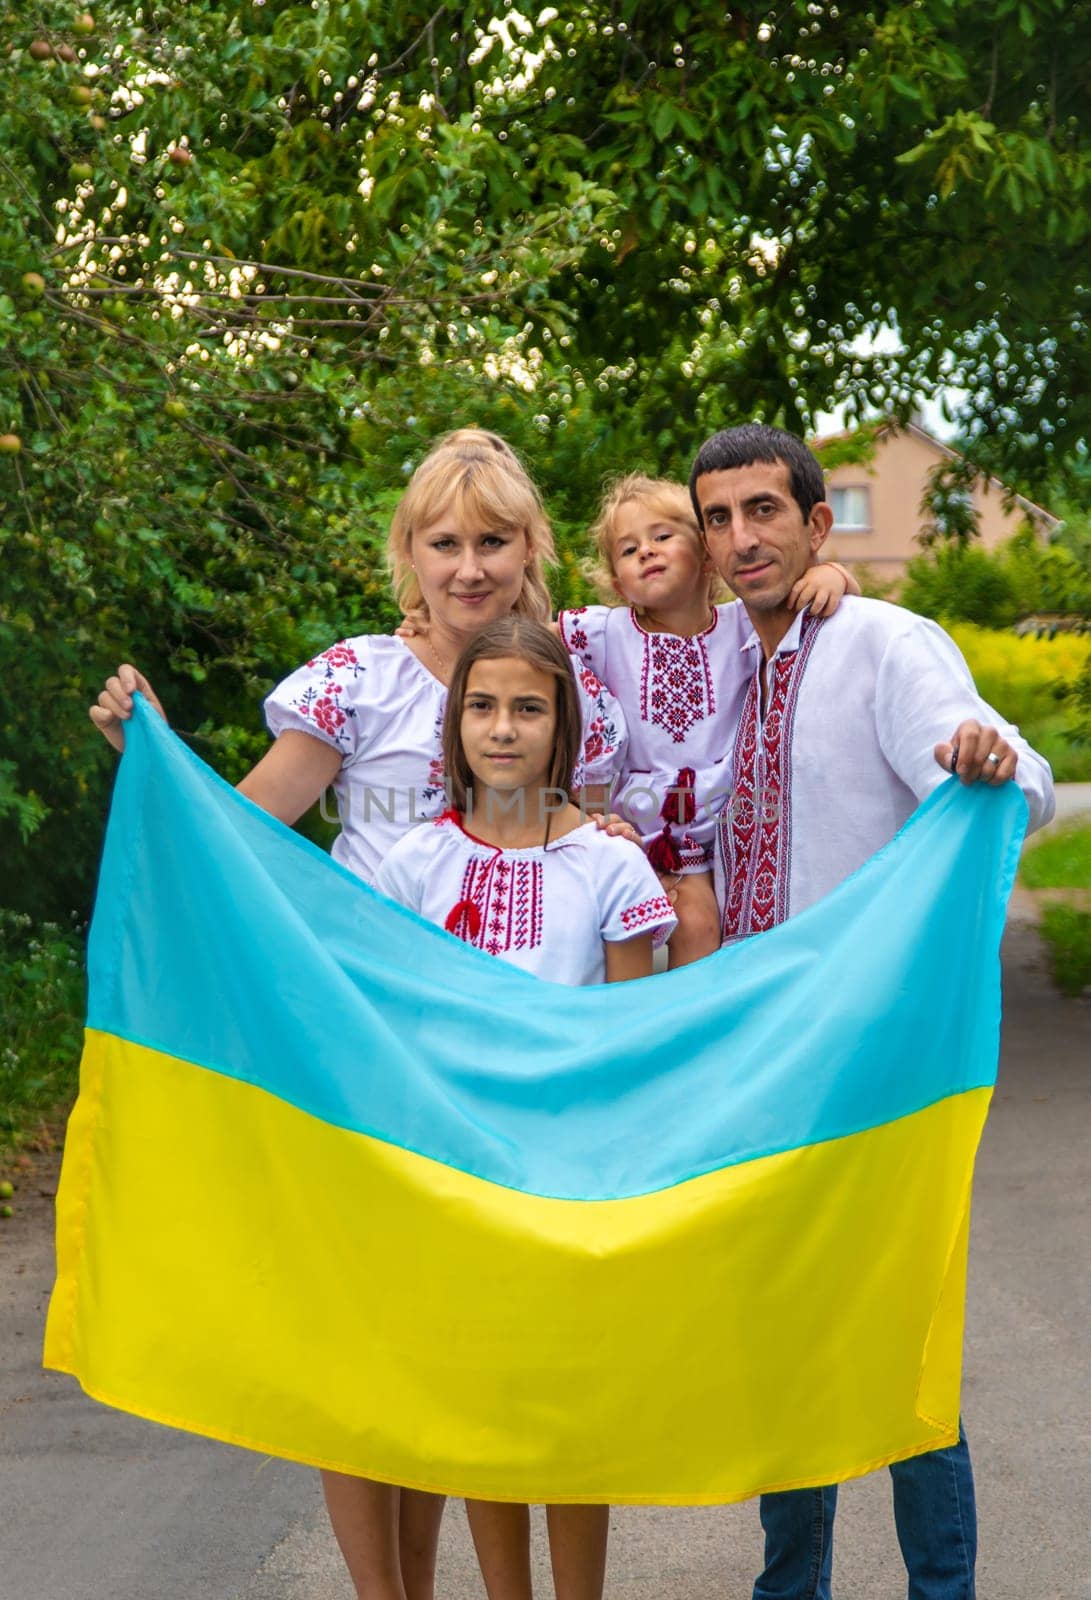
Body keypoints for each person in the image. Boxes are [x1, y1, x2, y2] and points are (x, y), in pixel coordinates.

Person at [88, 431, 629, 1600]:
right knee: (366, 1346)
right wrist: (154, 764)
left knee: (467, 1352)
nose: (469, 565)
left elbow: (587, 834)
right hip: (363, 1046)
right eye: (445, 543)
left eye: (493, 540)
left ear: (529, 545)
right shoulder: (357, 678)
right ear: (408, 552)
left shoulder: (559, 670)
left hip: (508, 1067)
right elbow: (242, 833)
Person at [687, 422, 1055, 1600]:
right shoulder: (724, 667)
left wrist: (980, 756)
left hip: (874, 1061)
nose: (740, 537)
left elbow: (1017, 771)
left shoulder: (885, 641)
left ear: (810, 520)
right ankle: (787, 1588)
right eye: (717, 517)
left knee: (894, 1346)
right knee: (786, 1349)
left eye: (761, 511)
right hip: (760, 1060)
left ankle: (937, 1590)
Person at [377, 616, 676, 1600]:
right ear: (453, 723)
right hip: (456, 1182)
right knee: (486, 1412)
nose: (502, 728)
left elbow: (630, 1036)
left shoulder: (611, 866)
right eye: (481, 705)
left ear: (566, 729)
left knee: (568, 1415)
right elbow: (392, 1024)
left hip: (573, 1181)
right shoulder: (414, 862)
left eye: (527, 707)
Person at [556, 473, 860, 967]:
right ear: (617, 583)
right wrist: (430, 623)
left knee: (700, 927)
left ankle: (689, 1029)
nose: (646, 553)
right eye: (629, 550)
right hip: (629, 825)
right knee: (599, 935)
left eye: (661, 537)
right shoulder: (607, 632)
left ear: (706, 554)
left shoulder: (742, 622)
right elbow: (519, 640)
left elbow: (816, 596)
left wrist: (835, 575)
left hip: (720, 825)